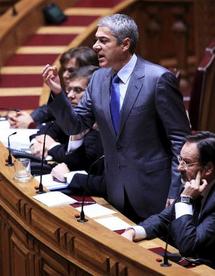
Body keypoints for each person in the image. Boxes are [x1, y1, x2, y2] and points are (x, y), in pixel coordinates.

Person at [42, 13, 191, 222]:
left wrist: (177, 191)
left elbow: (180, 142)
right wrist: (58, 94)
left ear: (125, 44)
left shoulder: (157, 79)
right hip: (115, 190)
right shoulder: (98, 79)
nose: (95, 46)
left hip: (154, 191)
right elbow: (75, 126)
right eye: (96, 40)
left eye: (103, 40)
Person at [121, 131, 215, 268]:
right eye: (180, 160)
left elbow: (189, 245)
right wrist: (133, 231)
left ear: (208, 168)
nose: (179, 168)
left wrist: (185, 200)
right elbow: (164, 219)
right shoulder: (192, 184)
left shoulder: (192, 192)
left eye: (187, 163)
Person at [30, 66, 103, 176]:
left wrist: (51, 146)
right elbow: (45, 130)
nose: (70, 95)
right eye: (69, 90)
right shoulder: (72, 117)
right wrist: (36, 144)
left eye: (78, 90)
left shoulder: (99, 126)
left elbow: (78, 162)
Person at [8, 46, 98, 128]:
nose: (65, 75)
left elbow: (65, 132)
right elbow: (47, 110)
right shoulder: (70, 93)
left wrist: (31, 125)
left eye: (71, 71)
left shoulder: (92, 101)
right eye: (64, 69)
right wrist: (25, 118)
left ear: (87, 72)